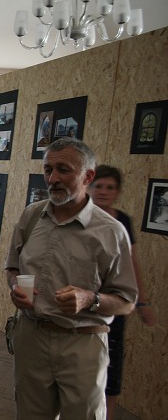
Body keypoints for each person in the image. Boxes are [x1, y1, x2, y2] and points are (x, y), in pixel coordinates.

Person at [5, 138, 138, 420]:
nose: (52, 179)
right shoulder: (31, 216)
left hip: (82, 343)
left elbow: (126, 302)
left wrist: (90, 298)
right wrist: (15, 286)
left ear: (88, 176)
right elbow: (12, 268)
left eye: (63, 170)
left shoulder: (111, 232)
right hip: (31, 337)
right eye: (48, 169)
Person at [88, 164, 156, 420]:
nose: (104, 192)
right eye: (99, 186)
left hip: (114, 303)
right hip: (84, 304)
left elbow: (132, 262)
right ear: (89, 187)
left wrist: (142, 302)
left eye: (110, 187)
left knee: (111, 372)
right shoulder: (81, 216)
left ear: (117, 192)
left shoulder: (122, 221)